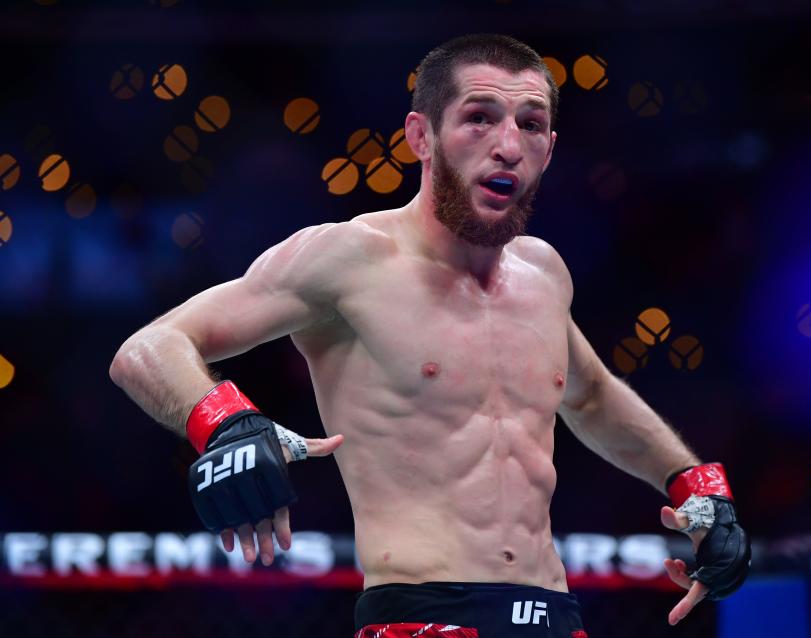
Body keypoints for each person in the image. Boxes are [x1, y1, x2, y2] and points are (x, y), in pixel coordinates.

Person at [109, 33, 749, 637]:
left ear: (548, 149)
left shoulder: (544, 273)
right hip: (421, 613)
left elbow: (590, 397)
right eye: (479, 117)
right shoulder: (350, 258)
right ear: (422, 136)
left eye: (529, 125)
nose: (507, 145)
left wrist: (697, 487)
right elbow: (149, 348)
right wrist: (224, 422)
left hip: (553, 613)